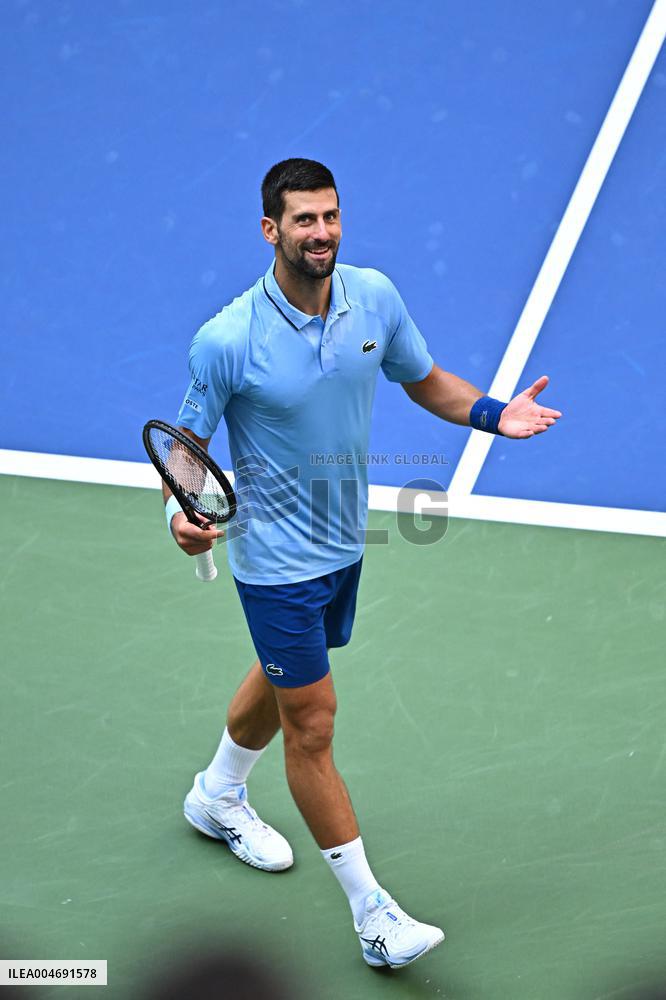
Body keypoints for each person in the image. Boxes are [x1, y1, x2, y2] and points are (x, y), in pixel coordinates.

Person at [162, 158, 561, 969]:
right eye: (304, 220)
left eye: (331, 216)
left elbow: (426, 381)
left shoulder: (373, 297)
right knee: (312, 722)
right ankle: (373, 915)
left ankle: (216, 793)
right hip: (274, 556)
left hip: (344, 539)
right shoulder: (228, 339)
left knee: (287, 675)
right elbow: (186, 447)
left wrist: (495, 415)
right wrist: (181, 513)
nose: (322, 233)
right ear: (270, 230)